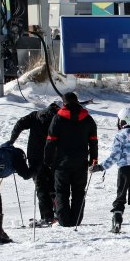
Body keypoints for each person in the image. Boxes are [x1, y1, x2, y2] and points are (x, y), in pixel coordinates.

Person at [89, 108, 130, 234]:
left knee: (121, 197)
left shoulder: (120, 136)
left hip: (124, 170)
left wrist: (101, 166)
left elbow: (115, 156)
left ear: (123, 121)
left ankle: (117, 221)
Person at [44, 92, 98, 227]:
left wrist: (48, 160)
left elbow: (50, 141)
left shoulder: (58, 118)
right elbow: (93, 142)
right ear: (77, 102)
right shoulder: (88, 119)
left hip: (61, 163)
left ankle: (64, 221)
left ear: (64, 103)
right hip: (81, 163)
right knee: (79, 192)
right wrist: (94, 159)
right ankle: (76, 220)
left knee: (61, 192)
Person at [5, 102, 60, 226]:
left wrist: (12, 140)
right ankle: (58, 215)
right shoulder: (59, 118)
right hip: (54, 157)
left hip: (35, 157)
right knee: (54, 186)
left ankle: (47, 217)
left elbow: (19, 124)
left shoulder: (35, 115)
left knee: (41, 187)